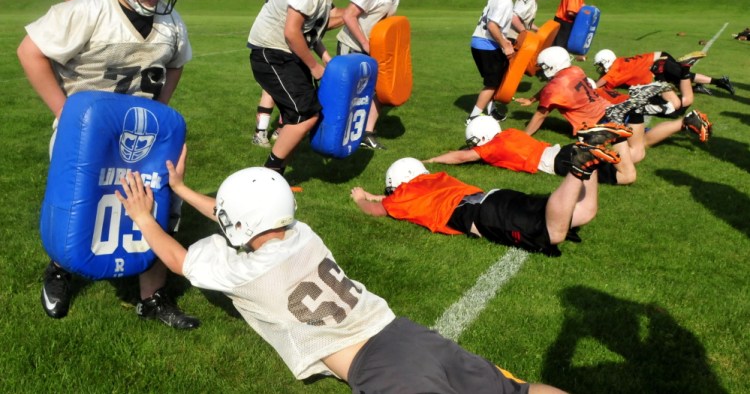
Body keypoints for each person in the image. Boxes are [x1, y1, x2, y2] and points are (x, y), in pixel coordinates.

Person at [115, 151, 566, 393]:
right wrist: (181, 188)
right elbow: (238, 216)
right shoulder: (303, 232)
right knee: (518, 391)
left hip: (377, 365)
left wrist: (144, 216)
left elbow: (178, 259)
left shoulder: (242, 274)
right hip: (403, 332)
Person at [16, 0, 199, 329]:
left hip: (141, 136)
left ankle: (152, 296)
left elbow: (176, 63)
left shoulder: (171, 22)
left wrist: (160, 115)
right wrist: (66, 117)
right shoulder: (88, 11)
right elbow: (30, 51)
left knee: (159, 207)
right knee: (77, 205)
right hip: (84, 137)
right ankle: (61, 270)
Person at [247, 0, 371, 174]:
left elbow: (310, 33)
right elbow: (292, 32)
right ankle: (269, 174)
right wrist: (315, 67)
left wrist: (327, 60)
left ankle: (277, 174)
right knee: (305, 115)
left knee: (303, 115)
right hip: (272, 51)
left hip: (284, 52)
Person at [352, 148, 608, 257]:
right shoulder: (435, 179)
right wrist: (379, 196)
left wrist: (362, 198)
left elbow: (376, 209)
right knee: (583, 212)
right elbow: (392, 199)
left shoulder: (403, 196)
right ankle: (592, 160)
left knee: (553, 233)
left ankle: (579, 166)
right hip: (496, 197)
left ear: (395, 184)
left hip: (484, 214)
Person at [515, 46, 711, 184]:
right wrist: (532, 99)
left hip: (601, 124)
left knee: (636, 152)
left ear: (551, 66)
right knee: (640, 143)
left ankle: (672, 116)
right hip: (609, 109)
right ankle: (682, 120)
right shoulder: (575, 70)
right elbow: (550, 89)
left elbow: (540, 116)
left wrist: (524, 136)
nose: (542, 73)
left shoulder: (555, 88)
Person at [336, 0, 410, 150]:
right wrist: (365, 43)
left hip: (372, 48)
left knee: (376, 92)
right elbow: (348, 15)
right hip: (352, 45)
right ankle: (334, 132)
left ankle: (365, 133)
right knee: (348, 93)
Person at [425, 115, 635, 185]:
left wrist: (433, 159)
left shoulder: (493, 146)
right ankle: (610, 136)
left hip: (562, 162)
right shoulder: (510, 133)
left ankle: (615, 134)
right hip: (564, 151)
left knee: (627, 176)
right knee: (631, 160)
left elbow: (462, 157)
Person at [467, 0, 537, 125]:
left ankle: (490, 111)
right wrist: (505, 44)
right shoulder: (505, 0)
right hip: (486, 44)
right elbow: (492, 25)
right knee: (492, 83)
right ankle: (473, 118)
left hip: (483, 43)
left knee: (496, 80)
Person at [593, 49, 735, 112]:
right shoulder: (618, 63)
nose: (600, 68)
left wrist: (590, 86)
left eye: (600, 64)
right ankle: (709, 84)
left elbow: (601, 83)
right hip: (659, 58)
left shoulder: (613, 71)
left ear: (606, 61)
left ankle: (718, 82)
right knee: (682, 78)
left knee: (683, 77)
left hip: (659, 62)